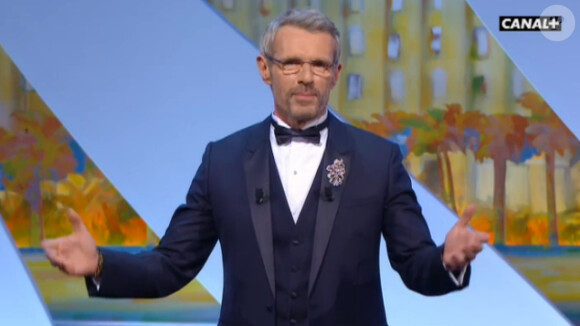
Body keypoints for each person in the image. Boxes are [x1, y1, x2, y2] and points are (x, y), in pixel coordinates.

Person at [42, 8, 489, 326]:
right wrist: (100, 264)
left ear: (336, 73)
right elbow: (171, 266)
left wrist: (448, 261)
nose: (306, 76)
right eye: (291, 62)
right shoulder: (223, 160)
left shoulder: (379, 161)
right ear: (264, 69)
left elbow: (415, 266)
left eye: (318, 64)